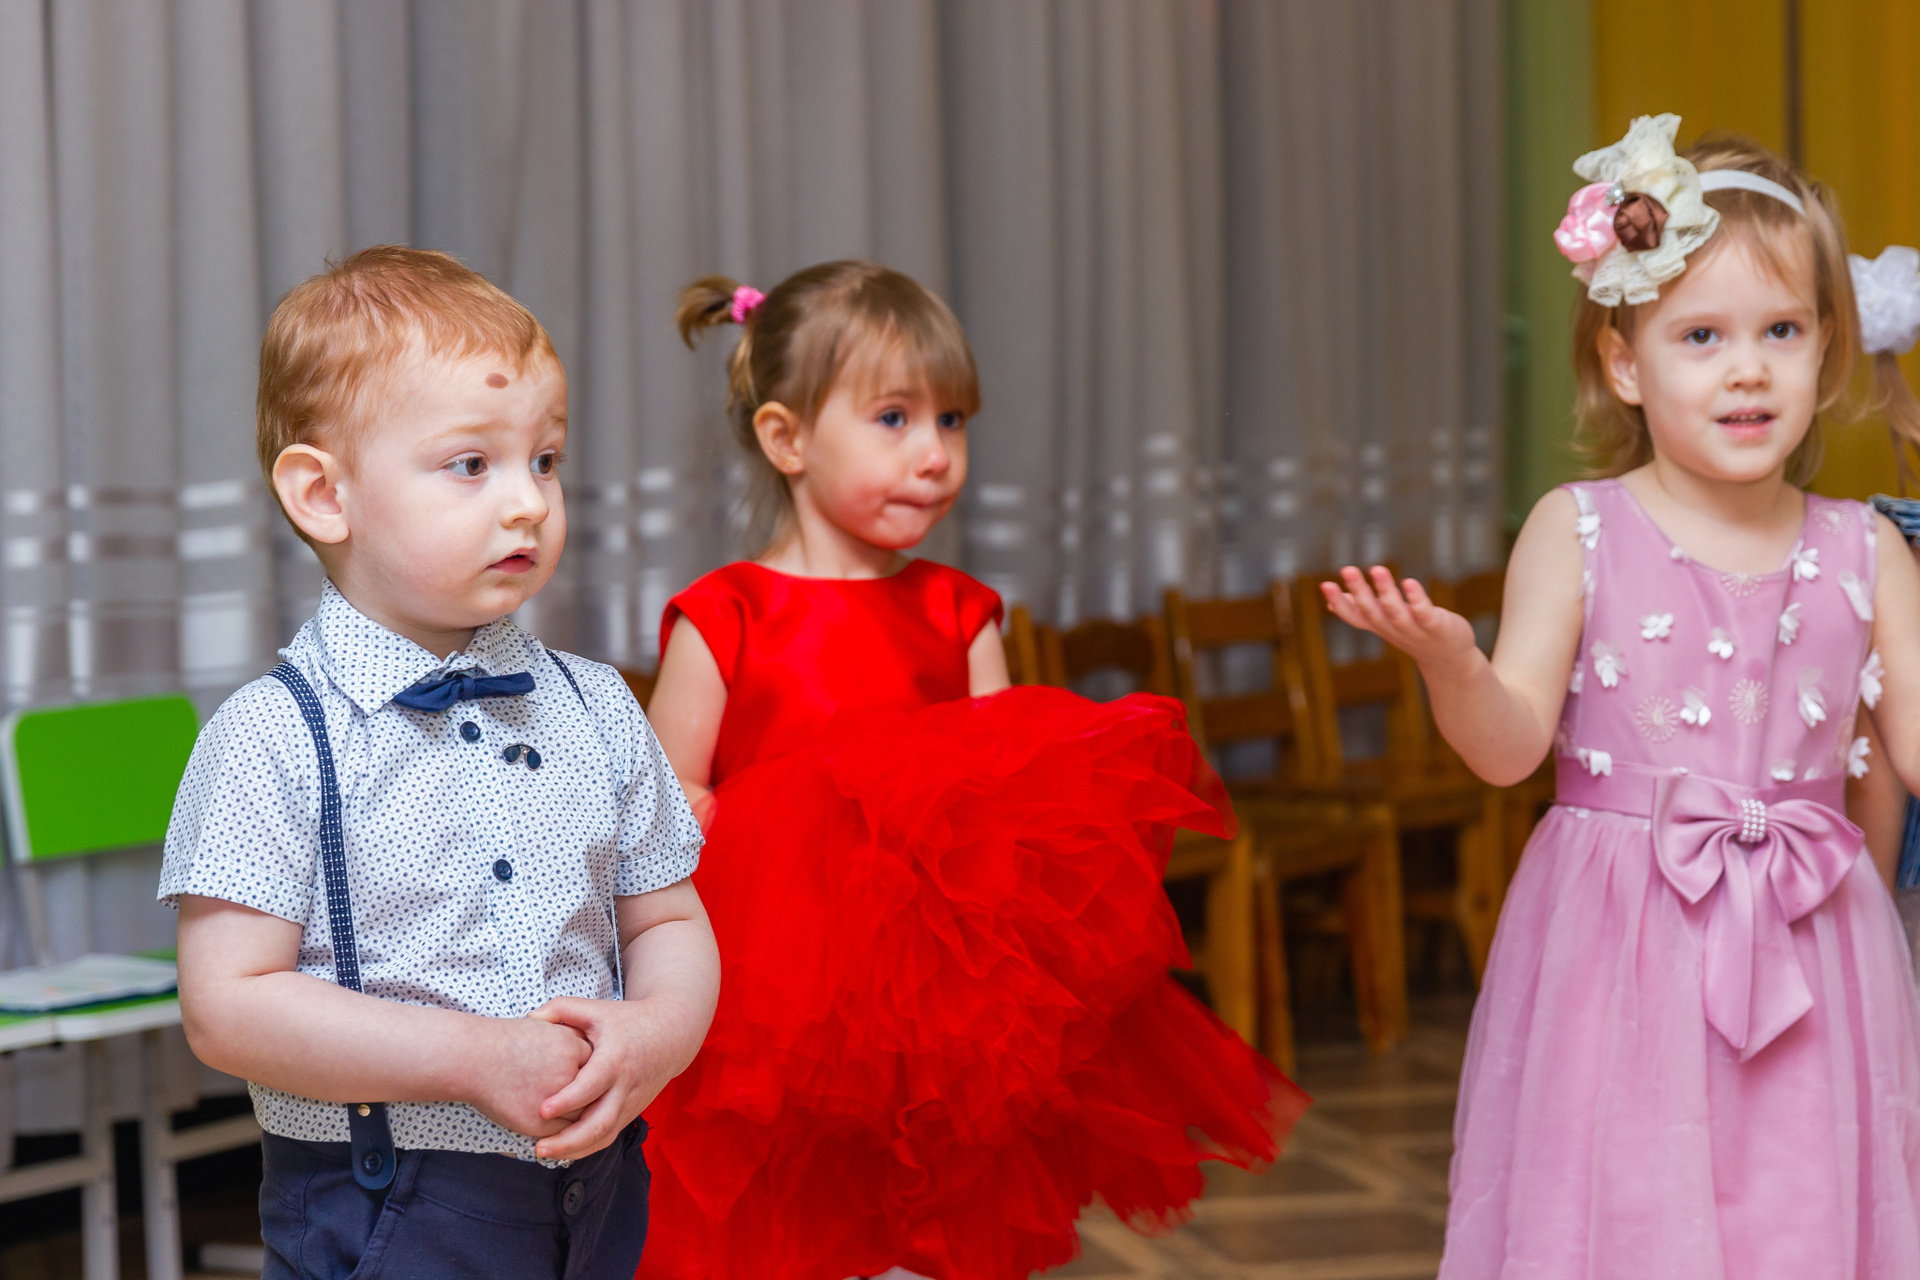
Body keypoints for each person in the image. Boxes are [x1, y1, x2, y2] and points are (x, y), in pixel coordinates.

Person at [1323, 116, 1920, 1277]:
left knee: (1803, 1213)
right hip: (1624, 954)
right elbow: (1509, 748)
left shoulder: (1868, 548)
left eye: (1782, 330)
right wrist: (1455, 664)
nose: (1747, 368)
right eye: (1701, 335)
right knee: (1625, 1216)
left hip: (1816, 945)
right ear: (1625, 362)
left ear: (1829, 352)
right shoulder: (1577, 527)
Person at [637, 260, 1304, 1280]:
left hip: (943, 1008)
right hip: (775, 1006)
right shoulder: (725, 616)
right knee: (792, 1227)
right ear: (786, 438)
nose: (936, 453)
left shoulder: (960, 613)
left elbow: (1009, 798)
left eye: (952, 421)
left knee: (928, 1221)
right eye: (895, 418)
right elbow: (665, 808)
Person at [161, 246, 718, 1280]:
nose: (528, 502)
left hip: (600, 1187)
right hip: (384, 1200)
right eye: (472, 464)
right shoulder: (271, 735)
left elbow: (667, 919)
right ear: (324, 494)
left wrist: (657, 1031)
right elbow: (226, 1005)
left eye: (544, 460)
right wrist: (473, 1058)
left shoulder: (599, 704)